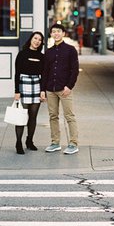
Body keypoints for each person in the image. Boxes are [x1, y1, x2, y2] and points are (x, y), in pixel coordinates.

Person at [41, 22, 80, 154]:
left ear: (63, 33)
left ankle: (73, 143)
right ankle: (55, 142)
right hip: (50, 89)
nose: (56, 34)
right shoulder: (49, 52)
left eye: (58, 31)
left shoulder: (70, 50)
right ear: (51, 34)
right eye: (53, 32)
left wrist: (69, 86)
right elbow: (45, 72)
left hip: (65, 89)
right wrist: (43, 90)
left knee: (69, 116)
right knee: (53, 116)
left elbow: (74, 70)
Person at [13, 31, 45, 154]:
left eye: (39, 40)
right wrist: (17, 91)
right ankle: (18, 142)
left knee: (33, 117)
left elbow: (43, 75)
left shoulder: (42, 57)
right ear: (31, 39)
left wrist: (42, 90)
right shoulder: (22, 54)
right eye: (35, 38)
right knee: (21, 116)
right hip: (23, 85)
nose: (37, 41)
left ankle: (29, 141)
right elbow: (17, 73)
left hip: (36, 85)